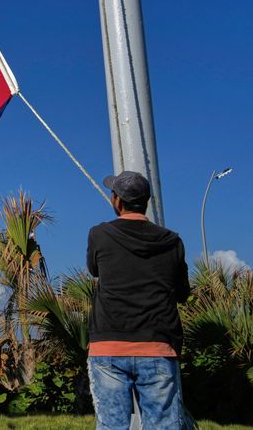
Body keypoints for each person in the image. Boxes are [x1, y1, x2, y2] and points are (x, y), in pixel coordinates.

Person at [87, 171, 190, 429]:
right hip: (158, 344)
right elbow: (183, 293)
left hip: (109, 345)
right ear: (146, 202)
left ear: (117, 201)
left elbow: (94, 269)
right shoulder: (173, 242)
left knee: (112, 425)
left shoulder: (99, 235)